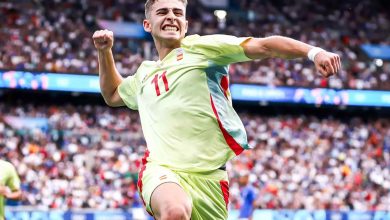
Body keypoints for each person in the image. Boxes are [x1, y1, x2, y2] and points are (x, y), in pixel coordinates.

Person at [92, 0, 341, 219]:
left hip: (210, 179)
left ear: (186, 24)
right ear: (148, 24)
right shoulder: (144, 73)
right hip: (162, 169)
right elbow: (113, 94)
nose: (171, 17)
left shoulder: (202, 49)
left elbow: (265, 46)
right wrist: (105, 52)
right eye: (163, 12)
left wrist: (314, 52)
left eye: (178, 12)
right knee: (175, 212)